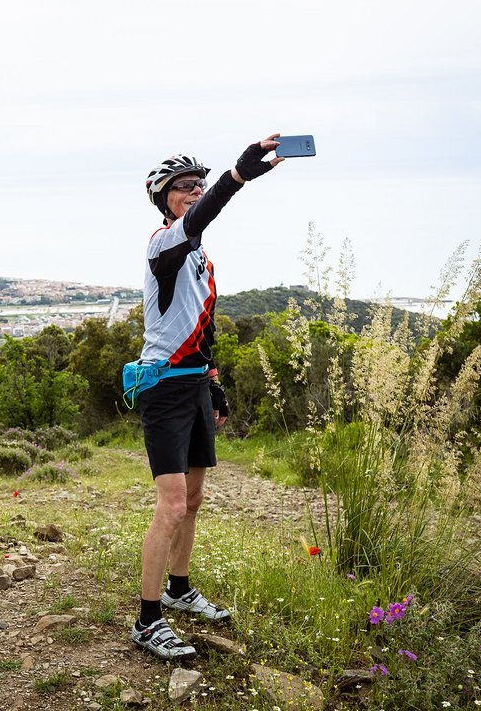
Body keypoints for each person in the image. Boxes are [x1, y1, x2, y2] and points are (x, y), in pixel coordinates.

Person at [129, 134, 284, 660]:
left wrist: (214, 382)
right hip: (165, 387)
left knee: (193, 502)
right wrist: (236, 177)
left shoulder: (201, 260)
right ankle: (148, 621)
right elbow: (199, 220)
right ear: (163, 198)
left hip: (194, 382)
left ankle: (179, 589)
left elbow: (205, 323)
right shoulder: (164, 245)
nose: (193, 192)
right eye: (183, 188)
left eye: (199, 184)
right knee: (171, 506)